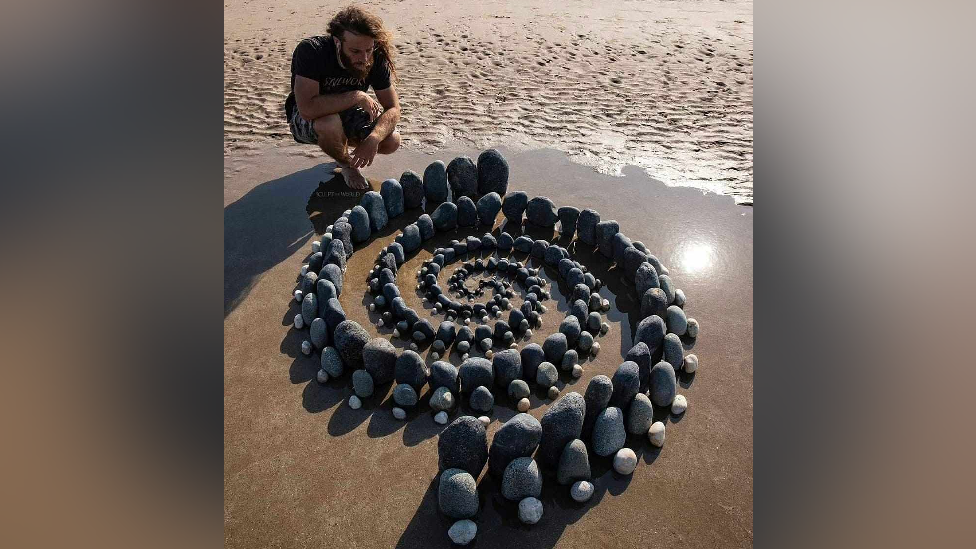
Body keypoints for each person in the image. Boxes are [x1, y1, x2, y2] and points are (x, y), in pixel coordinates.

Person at [285, 6, 401, 189]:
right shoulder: (312, 51)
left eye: (368, 50)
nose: (364, 58)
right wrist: (356, 96)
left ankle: (343, 147)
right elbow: (307, 109)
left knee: (392, 140)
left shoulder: (375, 56)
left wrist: (373, 139)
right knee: (329, 123)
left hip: (347, 114)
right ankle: (346, 165)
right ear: (338, 43)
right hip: (308, 118)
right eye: (355, 51)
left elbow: (393, 108)